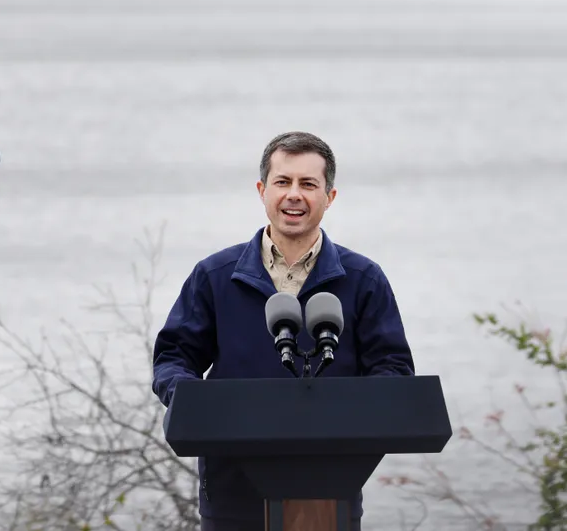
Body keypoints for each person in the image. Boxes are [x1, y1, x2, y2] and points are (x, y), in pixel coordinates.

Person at [151, 131, 416, 531]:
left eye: (309, 184)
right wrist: (196, 404)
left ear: (330, 197)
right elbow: (174, 357)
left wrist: (352, 421)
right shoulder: (215, 277)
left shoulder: (364, 280)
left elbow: (393, 369)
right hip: (231, 494)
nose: (295, 195)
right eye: (283, 182)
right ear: (262, 190)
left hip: (330, 494)